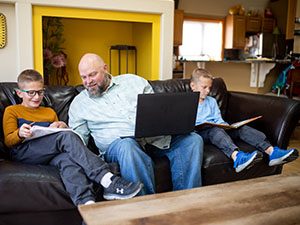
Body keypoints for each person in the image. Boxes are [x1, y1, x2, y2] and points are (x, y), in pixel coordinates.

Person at [68, 53, 203, 195]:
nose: (88, 81)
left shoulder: (134, 82)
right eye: (84, 77)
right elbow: (78, 142)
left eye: (92, 75)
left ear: (105, 68)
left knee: (192, 140)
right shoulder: (79, 104)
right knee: (127, 145)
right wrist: (65, 132)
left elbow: (157, 110)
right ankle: (143, 207)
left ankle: (187, 200)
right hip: (119, 148)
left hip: (154, 140)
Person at [3, 69, 143, 206]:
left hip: (48, 153)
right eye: (31, 93)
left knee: (68, 161)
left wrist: (62, 126)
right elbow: (9, 141)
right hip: (23, 152)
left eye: (40, 92)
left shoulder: (49, 112)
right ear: (19, 93)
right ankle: (107, 180)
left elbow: (55, 135)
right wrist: (20, 133)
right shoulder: (12, 111)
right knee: (66, 137)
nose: (37, 97)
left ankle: (87, 206)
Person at [190, 68, 298, 173]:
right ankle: (237, 158)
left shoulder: (212, 101)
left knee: (242, 129)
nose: (208, 91)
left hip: (218, 128)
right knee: (215, 131)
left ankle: (272, 152)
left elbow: (218, 119)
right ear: (193, 86)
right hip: (201, 133)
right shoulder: (188, 102)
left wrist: (226, 126)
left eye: (209, 88)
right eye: (204, 87)